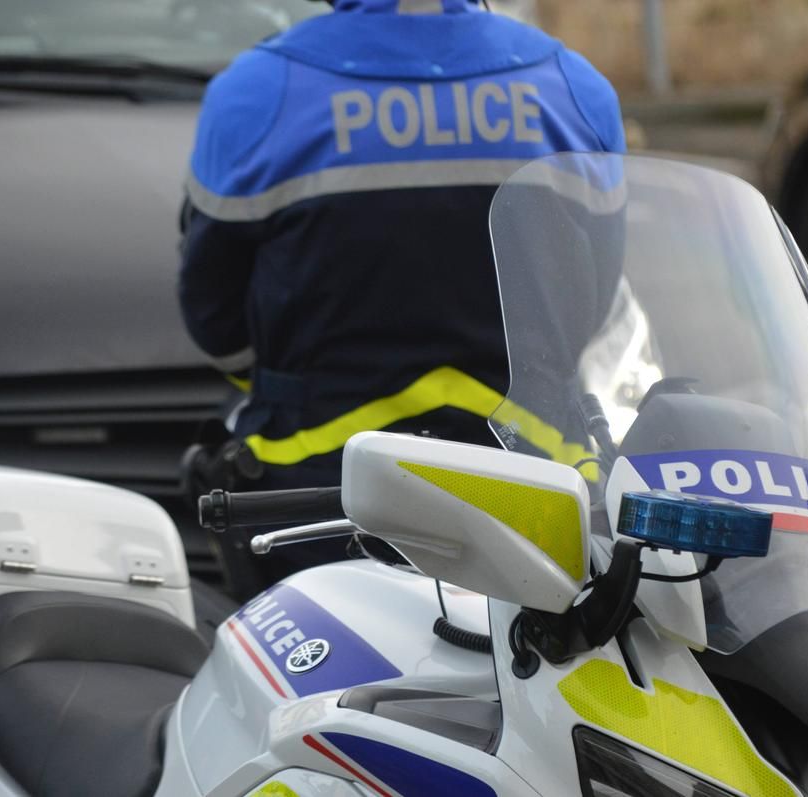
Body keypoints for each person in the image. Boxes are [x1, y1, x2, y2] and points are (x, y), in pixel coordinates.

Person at [179, 0, 625, 597]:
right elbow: (593, 299)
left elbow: (215, 321)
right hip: (533, 491)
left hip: (319, 503)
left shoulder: (256, 93)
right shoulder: (574, 88)